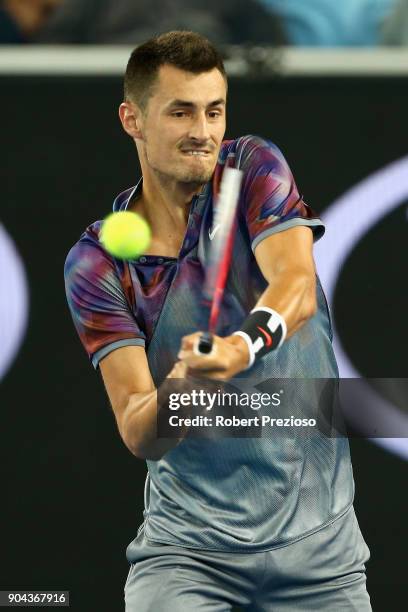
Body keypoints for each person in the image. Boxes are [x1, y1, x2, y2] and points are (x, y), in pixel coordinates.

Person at [64, 31, 372, 611]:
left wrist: (241, 346)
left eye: (214, 111)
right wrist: (184, 390)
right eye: (180, 112)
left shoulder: (250, 167)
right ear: (132, 119)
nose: (203, 133)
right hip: (187, 559)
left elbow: (296, 285)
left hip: (324, 558)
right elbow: (138, 430)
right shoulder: (98, 264)